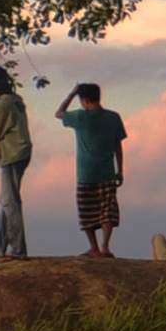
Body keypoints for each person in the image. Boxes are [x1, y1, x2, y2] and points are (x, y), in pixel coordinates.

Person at [55, 81, 130, 258]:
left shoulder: (80, 117)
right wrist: (120, 169)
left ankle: (93, 247)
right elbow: (117, 145)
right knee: (107, 210)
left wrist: (72, 94)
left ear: (84, 99)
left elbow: (58, 113)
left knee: (86, 210)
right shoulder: (113, 117)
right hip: (107, 172)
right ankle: (105, 246)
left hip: (86, 173)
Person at [0, 65, 33, 259]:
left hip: (12, 154)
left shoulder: (3, 104)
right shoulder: (16, 100)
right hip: (20, 151)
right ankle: (0, 246)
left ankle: (18, 250)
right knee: (7, 200)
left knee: (9, 202)